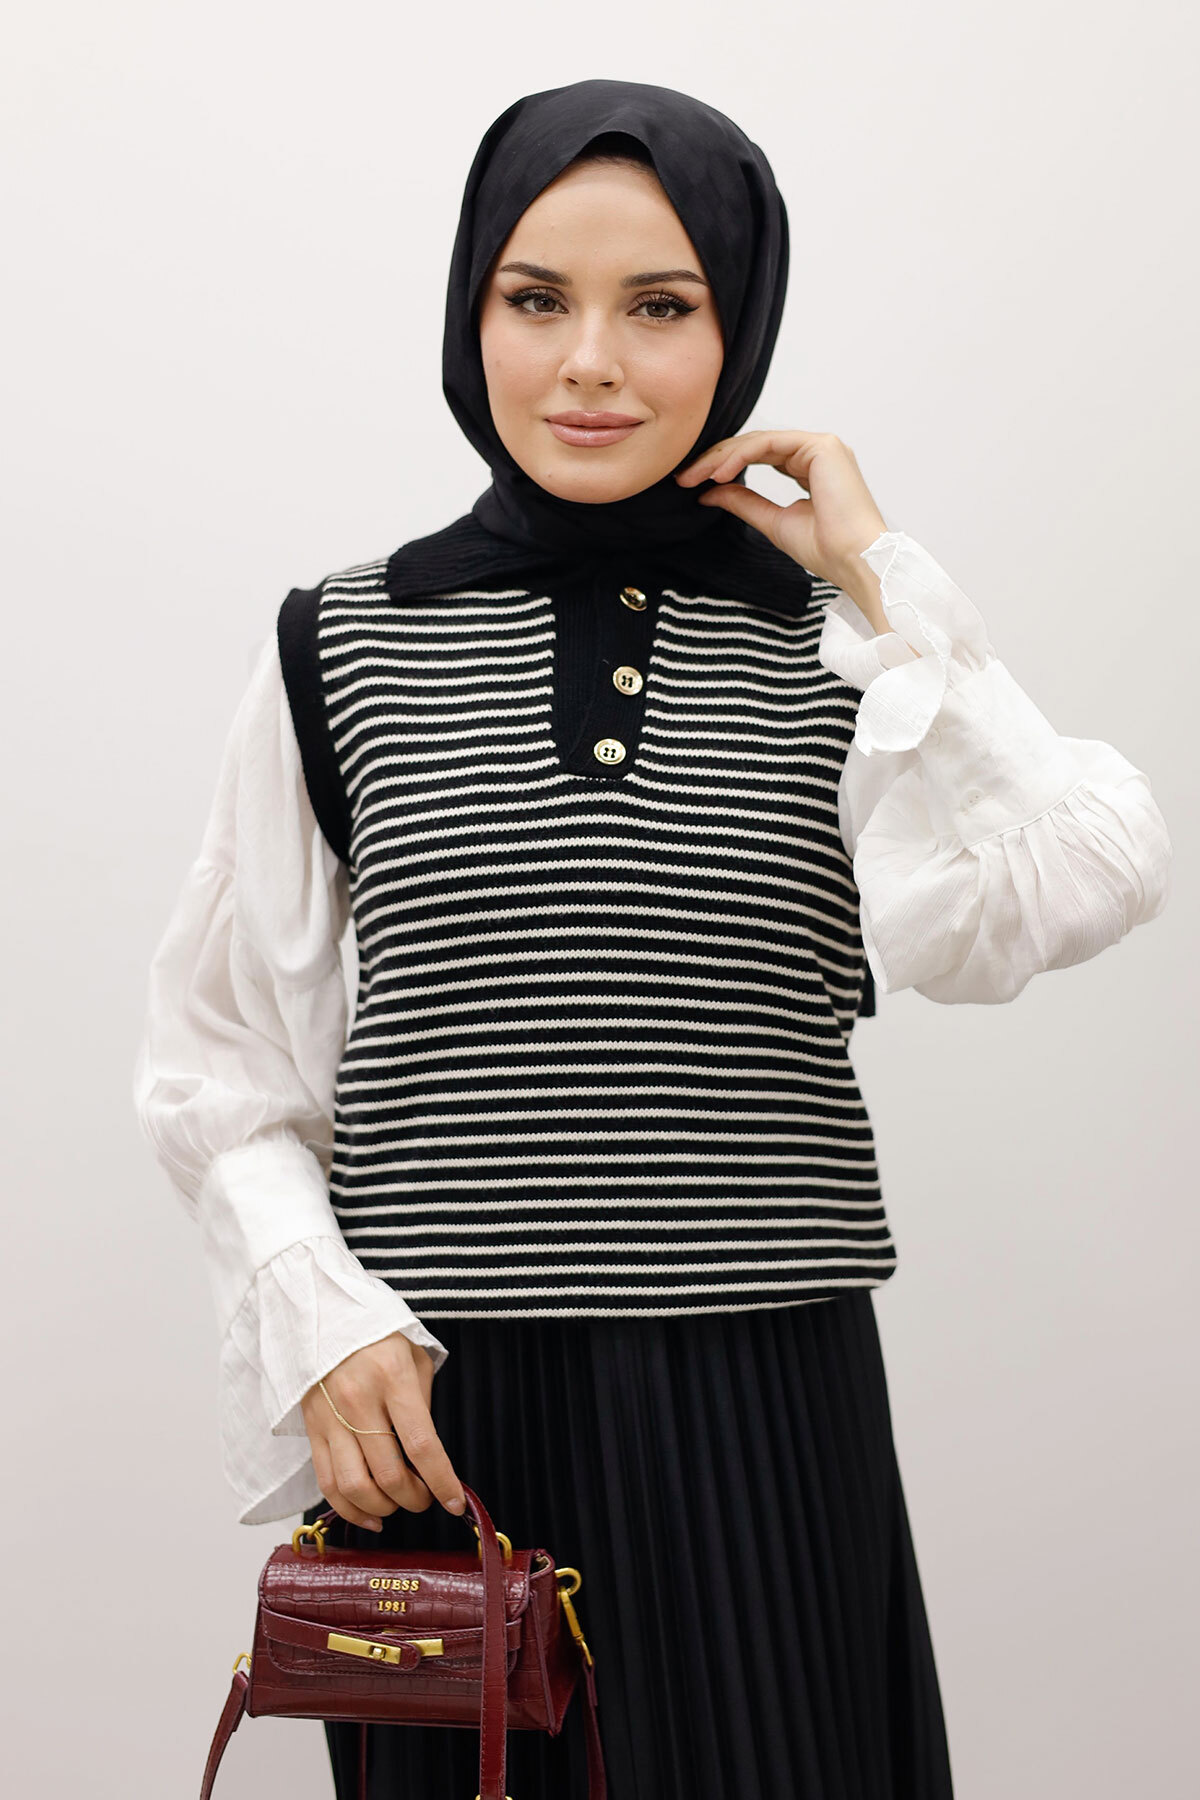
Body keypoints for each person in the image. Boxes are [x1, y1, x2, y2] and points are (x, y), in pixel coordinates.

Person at [132, 77, 1172, 1800]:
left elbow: (1089, 872)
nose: (591, 363)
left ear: (737, 328)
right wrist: (315, 1316)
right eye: (536, 299)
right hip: (445, 1428)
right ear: (471, 312)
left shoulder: (843, 650)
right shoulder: (343, 642)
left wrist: (883, 577)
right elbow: (223, 1061)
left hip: (767, 1411)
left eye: (662, 307)